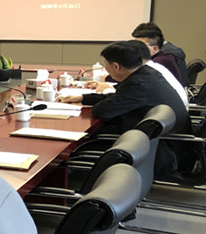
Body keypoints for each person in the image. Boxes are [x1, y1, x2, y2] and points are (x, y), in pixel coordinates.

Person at [60, 40, 191, 174]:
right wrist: (83, 98)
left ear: (116, 66)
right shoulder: (146, 73)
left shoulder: (137, 84)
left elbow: (102, 111)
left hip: (161, 152)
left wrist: (95, 104)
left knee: (84, 140)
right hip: (161, 144)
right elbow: (118, 97)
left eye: (105, 64)